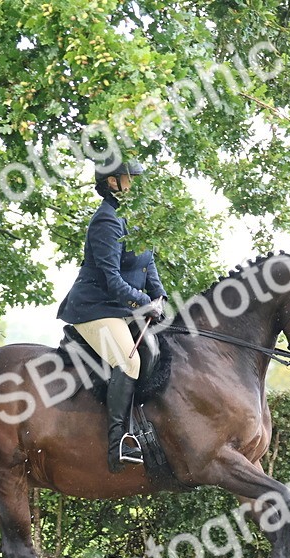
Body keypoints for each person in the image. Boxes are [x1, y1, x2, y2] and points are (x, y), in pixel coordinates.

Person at [57, 158, 168, 474]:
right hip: (95, 308)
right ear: (112, 182)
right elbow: (112, 280)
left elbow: (148, 263)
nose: (136, 183)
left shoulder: (133, 216)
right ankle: (120, 442)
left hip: (123, 308)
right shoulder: (106, 220)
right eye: (130, 177)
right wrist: (144, 301)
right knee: (128, 361)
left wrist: (158, 295)